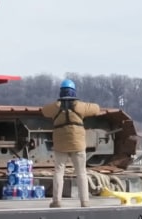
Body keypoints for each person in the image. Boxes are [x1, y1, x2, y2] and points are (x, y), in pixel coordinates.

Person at [41, 79, 102, 208]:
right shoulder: (80, 106)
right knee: (81, 173)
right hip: (78, 144)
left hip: (60, 144)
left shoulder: (55, 107)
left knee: (58, 172)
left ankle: (56, 201)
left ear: (61, 92)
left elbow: (44, 111)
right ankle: (84, 201)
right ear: (74, 92)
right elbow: (96, 109)